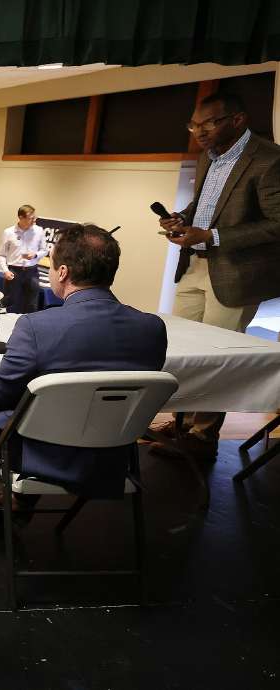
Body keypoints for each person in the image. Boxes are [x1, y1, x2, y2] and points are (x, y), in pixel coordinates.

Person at [0, 224, 167, 531]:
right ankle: (17, 502)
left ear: (63, 272)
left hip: (42, 453)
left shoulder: (36, 327)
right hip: (112, 457)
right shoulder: (152, 328)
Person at [153, 91, 280, 461]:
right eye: (193, 125)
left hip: (236, 273)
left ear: (237, 120)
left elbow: (277, 224)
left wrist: (212, 236)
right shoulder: (208, 158)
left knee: (217, 355)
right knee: (180, 348)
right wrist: (182, 218)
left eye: (208, 123)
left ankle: (203, 436)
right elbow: (205, 207)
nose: (199, 132)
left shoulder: (269, 160)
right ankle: (179, 423)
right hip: (194, 263)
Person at [0, 204, 47, 314]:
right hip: (14, 271)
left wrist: (35, 255)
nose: (34, 220)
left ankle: (29, 326)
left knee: (32, 303)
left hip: (32, 271)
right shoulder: (9, 232)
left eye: (35, 217)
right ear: (21, 218)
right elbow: (1, 254)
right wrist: (5, 270)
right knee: (10, 300)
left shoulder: (38, 231)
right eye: (30, 218)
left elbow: (45, 250)